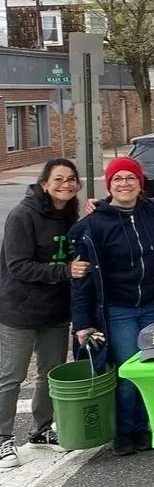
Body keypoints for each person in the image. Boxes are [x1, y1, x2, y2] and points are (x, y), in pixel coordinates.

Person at [68, 157, 154, 456]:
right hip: (119, 310)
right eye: (118, 179)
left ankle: (146, 426)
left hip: (153, 305)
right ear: (109, 185)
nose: (124, 184)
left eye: (130, 178)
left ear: (141, 184)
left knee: (150, 370)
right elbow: (82, 280)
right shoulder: (93, 224)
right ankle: (126, 431)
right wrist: (83, 323)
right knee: (127, 372)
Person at [0, 159, 89, 467]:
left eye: (71, 179)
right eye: (58, 179)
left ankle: (41, 430)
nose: (65, 184)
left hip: (55, 310)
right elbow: (18, 265)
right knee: (11, 377)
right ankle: (3, 438)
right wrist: (65, 271)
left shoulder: (70, 215)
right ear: (44, 183)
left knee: (50, 374)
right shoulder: (23, 215)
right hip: (19, 310)